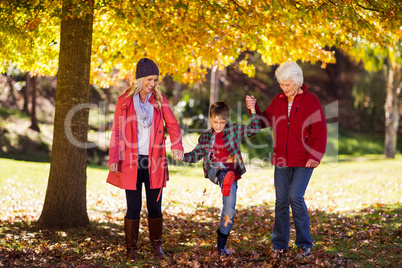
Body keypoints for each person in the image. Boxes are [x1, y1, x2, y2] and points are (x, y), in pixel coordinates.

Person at [246, 61, 327, 256]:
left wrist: (315, 155)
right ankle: (280, 244)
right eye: (282, 84)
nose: (284, 88)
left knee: (295, 197)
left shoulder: (311, 101)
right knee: (281, 200)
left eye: (288, 84)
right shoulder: (279, 100)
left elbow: (320, 131)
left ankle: (304, 243)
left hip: (304, 160)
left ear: (298, 82)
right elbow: (264, 120)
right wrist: (254, 109)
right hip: (281, 159)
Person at [106, 58, 184, 262]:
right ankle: (131, 249)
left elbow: (173, 124)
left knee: (155, 206)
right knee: (133, 207)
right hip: (130, 161)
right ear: (140, 78)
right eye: (150, 79)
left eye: (155, 80)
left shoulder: (159, 99)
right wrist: (113, 157)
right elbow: (116, 130)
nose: (153, 83)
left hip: (154, 162)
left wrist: (177, 146)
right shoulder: (124, 101)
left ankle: (156, 246)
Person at [181, 101, 261, 256]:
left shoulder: (233, 131)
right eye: (215, 122)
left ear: (228, 120)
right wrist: (181, 156)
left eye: (222, 122)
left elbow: (254, 128)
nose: (219, 125)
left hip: (232, 173)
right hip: (213, 170)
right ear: (210, 119)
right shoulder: (205, 137)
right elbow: (195, 155)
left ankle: (220, 246)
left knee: (229, 210)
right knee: (219, 168)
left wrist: (252, 109)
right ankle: (222, 177)